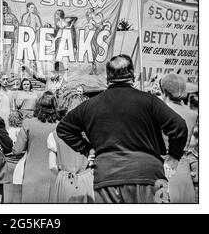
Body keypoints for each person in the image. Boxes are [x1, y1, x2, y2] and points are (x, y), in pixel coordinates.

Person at [57, 54, 188, 203]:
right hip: (149, 175)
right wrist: (174, 156)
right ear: (132, 75)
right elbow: (179, 126)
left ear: (108, 77)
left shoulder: (90, 105)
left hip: (107, 177)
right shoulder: (150, 101)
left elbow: (63, 128)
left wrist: (87, 149)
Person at [48, 90, 94, 203]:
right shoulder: (91, 134)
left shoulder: (54, 135)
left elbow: (52, 166)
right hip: (86, 178)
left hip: (65, 181)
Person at [12, 92, 58, 203]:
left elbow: (17, 150)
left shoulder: (28, 123)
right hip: (53, 175)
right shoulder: (59, 126)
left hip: (32, 174)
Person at [159, 73, 198, 203]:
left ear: (164, 90)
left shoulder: (161, 110)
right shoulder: (192, 113)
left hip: (165, 166)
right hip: (183, 168)